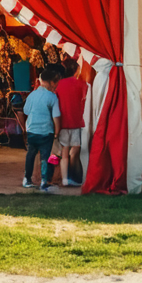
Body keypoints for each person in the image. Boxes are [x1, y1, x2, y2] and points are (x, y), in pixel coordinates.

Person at [22, 64, 62, 193]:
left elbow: (26, 110)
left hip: (32, 129)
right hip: (46, 130)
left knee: (30, 154)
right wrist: (57, 131)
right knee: (45, 156)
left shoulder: (32, 95)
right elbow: (56, 116)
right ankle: (44, 181)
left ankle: (27, 179)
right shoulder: (52, 97)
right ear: (51, 82)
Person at [54, 59, 88, 187]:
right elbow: (85, 100)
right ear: (76, 70)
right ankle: (76, 177)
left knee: (64, 153)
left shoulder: (59, 84)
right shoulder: (81, 84)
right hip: (76, 121)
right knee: (75, 151)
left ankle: (65, 179)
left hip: (62, 122)